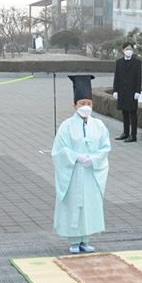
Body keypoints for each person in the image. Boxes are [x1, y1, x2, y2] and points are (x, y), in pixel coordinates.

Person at [52, 75, 111, 254]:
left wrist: (94, 159)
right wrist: (76, 157)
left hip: (91, 171)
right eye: (82, 103)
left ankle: (85, 239)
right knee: (73, 204)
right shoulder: (67, 125)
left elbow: (105, 146)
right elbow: (59, 149)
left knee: (89, 205)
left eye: (89, 103)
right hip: (74, 171)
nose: (86, 106)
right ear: (75, 106)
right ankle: (74, 241)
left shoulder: (99, 125)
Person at [112, 41, 142, 143]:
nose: (128, 51)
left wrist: (137, 91)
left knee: (133, 113)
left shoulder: (137, 62)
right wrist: (115, 90)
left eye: (130, 49)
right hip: (122, 91)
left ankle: (133, 135)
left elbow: (138, 78)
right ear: (123, 50)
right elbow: (116, 77)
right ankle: (125, 133)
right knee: (124, 112)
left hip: (132, 91)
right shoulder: (119, 62)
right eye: (127, 49)